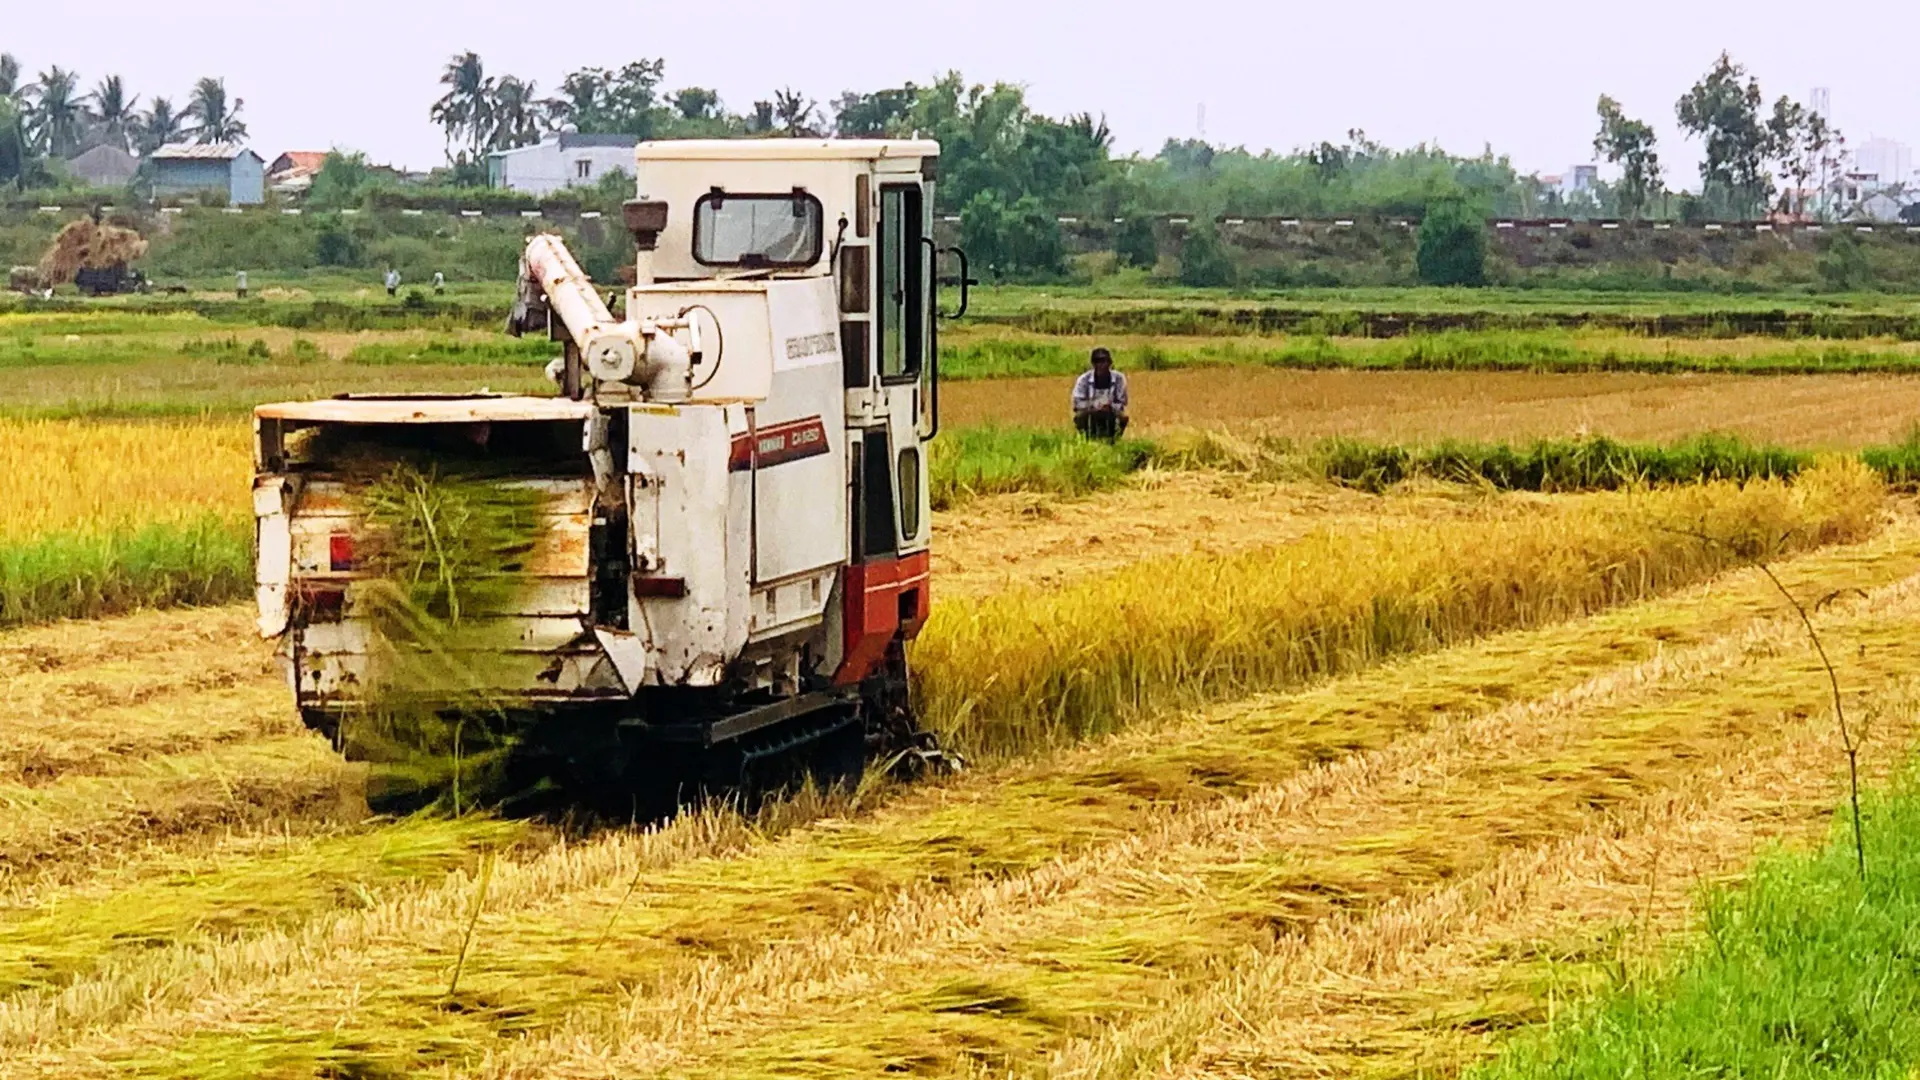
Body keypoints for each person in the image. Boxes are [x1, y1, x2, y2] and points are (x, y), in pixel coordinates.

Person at [1071, 347, 1130, 439]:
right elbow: (1077, 403)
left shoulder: (1119, 379)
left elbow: (1122, 403)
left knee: (1123, 417)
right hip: (1089, 411)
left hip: (1111, 411)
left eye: (1105, 361)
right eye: (1098, 362)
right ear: (1093, 364)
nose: (1103, 365)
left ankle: (1114, 439)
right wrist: (1093, 406)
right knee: (1079, 416)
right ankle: (1087, 438)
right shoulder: (1083, 379)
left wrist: (1110, 406)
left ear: (1110, 363)